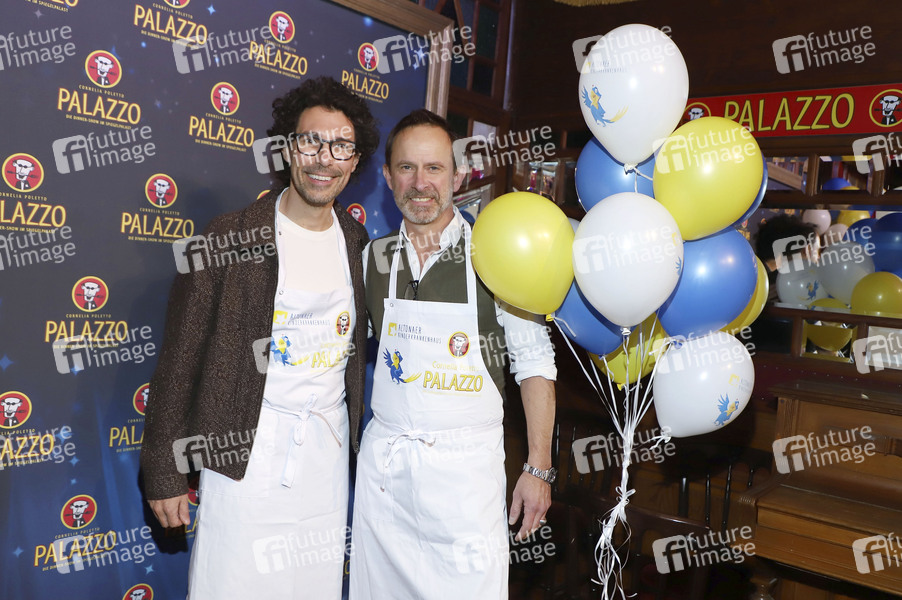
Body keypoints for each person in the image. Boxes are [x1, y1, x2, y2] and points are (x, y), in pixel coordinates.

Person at [140, 76, 379, 599]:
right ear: (288, 148)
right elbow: (179, 360)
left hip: (325, 459)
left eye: (341, 146)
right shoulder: (228, 236)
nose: (324, 159)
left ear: (355, 161)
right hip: (242, 456)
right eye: (311, 141)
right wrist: (163, 470)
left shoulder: (357, 243)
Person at [350, 109, 557, 599]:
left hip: (465, 485)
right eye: (406, 167)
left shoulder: (498, 254)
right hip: (385, 482)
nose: (420, 183)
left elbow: (534, 365)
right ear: (388, 177)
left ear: (458, 176)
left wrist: (538, 468)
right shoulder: (371, 259)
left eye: (434, 168)